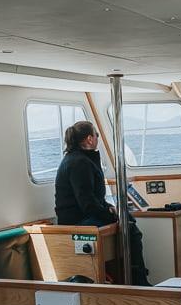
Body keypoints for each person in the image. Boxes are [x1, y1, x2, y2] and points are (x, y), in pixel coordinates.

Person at [55, 121, 149, 285]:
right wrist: (109, 214)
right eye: (96, 135)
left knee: (126, 220)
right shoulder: (79, 163)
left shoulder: (77, 159)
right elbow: (87, 203)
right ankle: (139, 281)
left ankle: (132, 279)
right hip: (77, 221)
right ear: (89, 139)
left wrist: (109, 208)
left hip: (81, 216)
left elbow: (92, 198)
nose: (97, 138)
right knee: (131, 229)